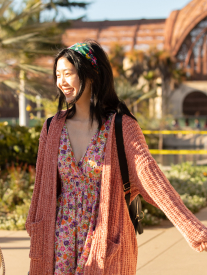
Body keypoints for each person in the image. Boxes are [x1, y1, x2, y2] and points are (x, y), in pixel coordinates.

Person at [25, 40, 207, 275]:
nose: (61, 82)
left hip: (104, 239)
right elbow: (41, 188)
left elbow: (153, 182)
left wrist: (194, 229)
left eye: (68, 73)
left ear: (91, 74)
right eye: (58, 74)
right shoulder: (52, 127)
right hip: (58, 242)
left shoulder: (121, 127)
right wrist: (36, 230)